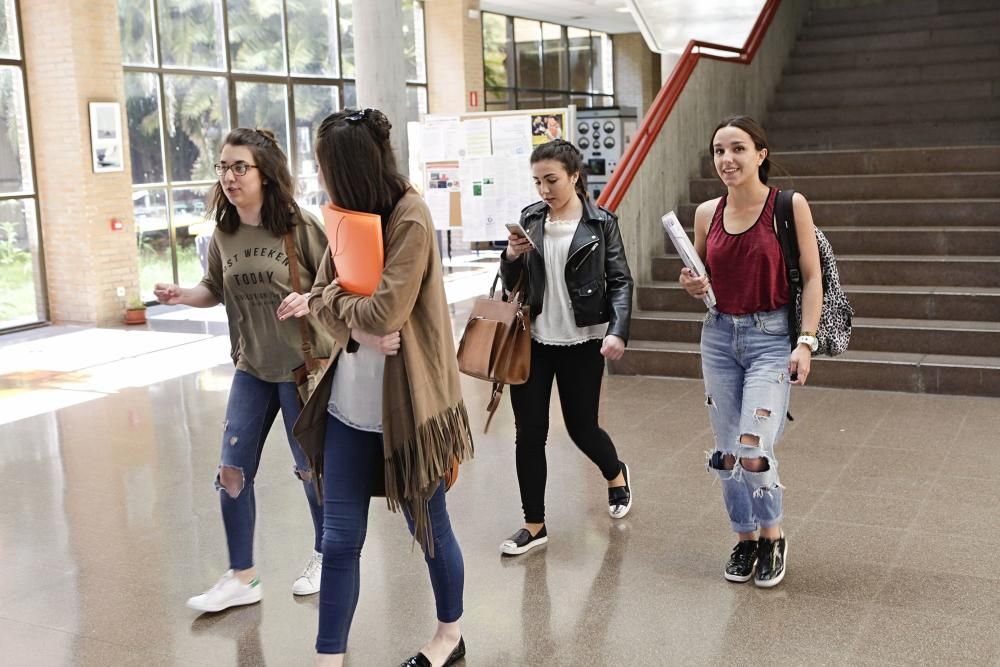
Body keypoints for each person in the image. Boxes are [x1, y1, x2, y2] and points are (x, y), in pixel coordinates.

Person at [281, 108, 474, 667]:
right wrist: (355, 320)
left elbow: (389, 310)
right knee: (338, 539)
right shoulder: (343, 215)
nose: (319, 178)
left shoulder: (408, 214)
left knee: (429, 529)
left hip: (410, 407)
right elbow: (321, 298)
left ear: (348, 167)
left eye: (323, 166)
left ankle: (449, 636)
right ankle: (329, 658)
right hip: (348, 407)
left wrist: (354, 314)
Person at [154, 128, 332, 612]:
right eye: (223, 167)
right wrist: (183, 295)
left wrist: (311, 300)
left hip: (302, 369)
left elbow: (339, 289)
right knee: (231, 471)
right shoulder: (224, 234)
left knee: (310, 470)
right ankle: (242, 577)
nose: (229, 177)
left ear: (265, 174)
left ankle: (325, 555)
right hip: (252, 367)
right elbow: (214, 286)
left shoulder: (302, 227)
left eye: (240, 167)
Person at [679, 115, 822, 588]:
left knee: (753, 449)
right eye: (719, 150)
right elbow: (702, 278)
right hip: (719, 337)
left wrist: (805, 341)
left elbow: (813, 274)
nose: (727, 159)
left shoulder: (787, 205)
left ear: (760, 154)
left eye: (738, 149)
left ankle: (772, 537)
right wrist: (693, 284)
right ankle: (744, 540)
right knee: (725, 453)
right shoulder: (706, 213)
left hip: (771, 337)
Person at [498, 138, 634, 556]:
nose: (543, 190)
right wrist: (512, 255)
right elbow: (511, 282)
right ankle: (533, 524)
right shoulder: (531, 218)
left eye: (551, 180)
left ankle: (615, 473)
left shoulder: (601, 223)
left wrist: (617, 330)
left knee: (581, 428)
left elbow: (621, 280)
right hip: (533, 341)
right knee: (529, 433)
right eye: (537, 181)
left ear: (575, 176)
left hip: (583, 341)